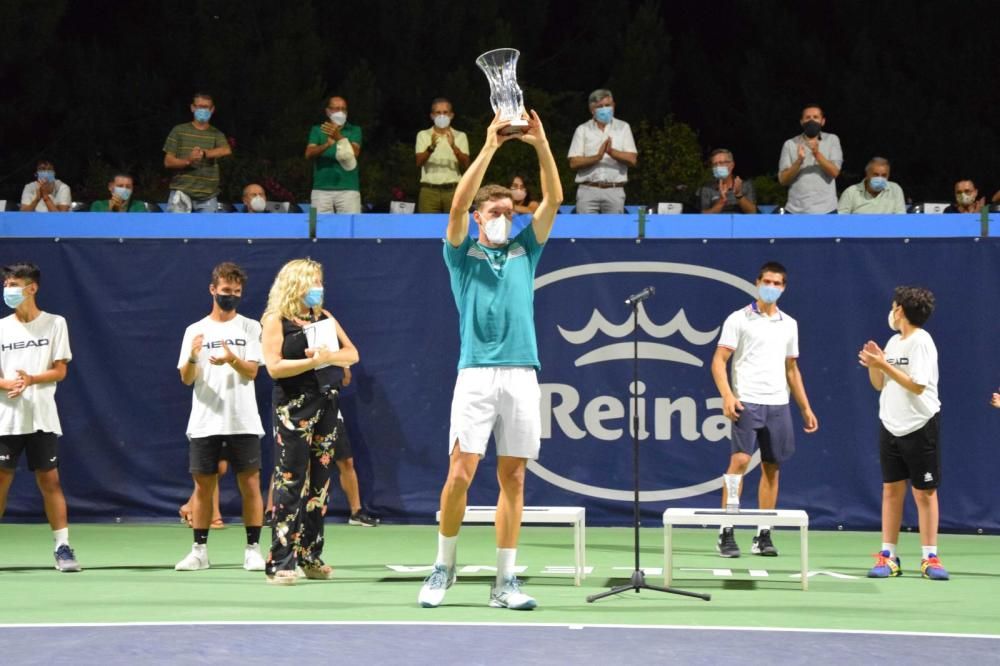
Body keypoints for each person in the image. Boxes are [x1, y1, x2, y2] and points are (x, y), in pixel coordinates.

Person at [417, 109, 562, 610]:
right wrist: (489, 147)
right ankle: (444, 567)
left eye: (509, 212)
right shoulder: (460, 253)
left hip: (523, 373)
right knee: (461, 472)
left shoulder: (527, 249)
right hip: (475, 373)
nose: (505, 218)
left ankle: (504, 582)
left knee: (514, 477)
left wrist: (541, 144)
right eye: (495, 212)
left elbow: (555, 200)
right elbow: (456, 207)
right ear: (481, 218)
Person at [260, 259, 359, 585]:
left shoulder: (325, 318)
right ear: (297, 284)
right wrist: (310, 362)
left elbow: (352, 354)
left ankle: (310, 555)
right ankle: (279, 560)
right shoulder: (275, 320)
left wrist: (328, 358)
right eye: (313, 281)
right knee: (290, 481)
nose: (319, 288)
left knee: (319, 484)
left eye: (320, 281)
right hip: (293, 407)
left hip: (326, 404)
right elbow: (274, 367)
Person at [711, 261, 818, 558]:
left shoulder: (790, 324)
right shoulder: (739, 319)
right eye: (767, 282)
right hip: (747, 400)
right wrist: (727, 396)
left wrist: (805, 407)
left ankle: (763, 535)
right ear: (757, 282)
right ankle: (726, 530)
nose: (771, 287)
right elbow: (719, 361)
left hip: (779, 404)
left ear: (784, 288)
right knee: (740, 461)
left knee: (772, 467)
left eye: (777, 283)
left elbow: (792, 370)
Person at [174, 262, 266, 572]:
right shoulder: (194, 330)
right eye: (226, 291)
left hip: (243, 420)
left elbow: (252, 371)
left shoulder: (251, 327)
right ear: (213, 290)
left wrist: (231, 359)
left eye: (237, 292)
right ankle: (199, 551)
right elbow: (187, 378)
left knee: (250, 484)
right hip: (205, 421)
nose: (231, 296)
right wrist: (190, 356)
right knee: (203, 487)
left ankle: (253, 549)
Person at [858, 287, 949, 581]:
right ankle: (888, 555)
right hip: (890, 425)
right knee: (891, 490)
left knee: (924, 493)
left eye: (894, 307)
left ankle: (929, 557)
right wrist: (875, 364)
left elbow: (918, 385)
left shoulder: (921, 342)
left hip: (920, 425)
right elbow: (879, 384)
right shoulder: (893, 342)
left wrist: (883, 363)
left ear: (900, 311)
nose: (891, 311)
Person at [0, 262, 79, 572]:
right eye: (6, 284)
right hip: (6, 418)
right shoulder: (1, 327)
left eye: (14, 285)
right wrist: (8, 384)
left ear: (32, 288)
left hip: (42, 418)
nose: (8, 290)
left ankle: (62, 547)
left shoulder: (55, 323)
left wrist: (30, 379)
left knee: (50, 481)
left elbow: (60, 369)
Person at [262, 365, 379, 528]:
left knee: (346, 461)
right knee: (286, 461)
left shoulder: (333, 345)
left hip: (329, 411)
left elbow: (345, 380)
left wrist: (338, 364)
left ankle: (356, 512)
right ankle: (271, 512)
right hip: (298, 410)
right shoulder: (295, 343)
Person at [567, 89, 637, 214]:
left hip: (614, 190)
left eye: (608, 105)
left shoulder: (623, 127)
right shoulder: (582, 129)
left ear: (614, 106)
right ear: (592, 110)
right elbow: (573, 162)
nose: (605, 109)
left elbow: (632, 159)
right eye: (600, 106)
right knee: (585, 232)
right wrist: (597, 157)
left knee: (613, 232)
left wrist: (611, 152)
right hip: (588, 190)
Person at [163, 92, 232, 213]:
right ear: (192, 107)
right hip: (181, 192)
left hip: (208, 195)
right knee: (176, 231)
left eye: (206, 107)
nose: (203, 110)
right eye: (199, 106)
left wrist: (204, 154)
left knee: (207, 232)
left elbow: (226, 150)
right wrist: (189, 160)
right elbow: (168, 162)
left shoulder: (217, 134)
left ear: (212, 109)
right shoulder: (179, 130)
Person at [778, 105, 843, 214]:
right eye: (808, 117)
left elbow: (835, 172)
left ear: (822, 121)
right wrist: (798, 161)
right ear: (801, 122)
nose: (811, 120)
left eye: (815, 117)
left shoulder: (832, 140)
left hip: (827, 210)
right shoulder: (790, 144)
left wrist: (816, 154)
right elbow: (783, 180)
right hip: (795, 210)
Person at [305, 95, 362, 214]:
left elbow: (355, 153)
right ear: (328, 111)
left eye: (343, 109)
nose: (341, 112)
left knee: (351, 229)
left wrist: (339, 137)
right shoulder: (317, 130)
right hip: (321, 189)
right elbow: (309, 154)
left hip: (348, 188)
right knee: (317, 228)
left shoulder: (355, 130)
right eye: (336, 108)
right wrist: (326, 145)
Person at [415, 98, 470, 213]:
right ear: (432, 116)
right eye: (438, 113)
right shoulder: (423, 135)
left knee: (454, 228)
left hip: (453, 190)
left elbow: (466, 164)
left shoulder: (460, 135)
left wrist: (454, 146)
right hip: (429, 191)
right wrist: (431, 147)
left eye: (445, 112)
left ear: (451, 115)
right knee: (427, 227)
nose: (442, 116)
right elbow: (418, 162)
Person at [837, 157, 907, 214]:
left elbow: (900, 219)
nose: (880, 178)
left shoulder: (895, 190)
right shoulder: (851, 192)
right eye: (876, 175)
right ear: (867, 174)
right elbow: (841, 221)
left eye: (884, 175)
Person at [698, 149, 758, 214]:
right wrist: (721, 201)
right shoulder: (707, 188)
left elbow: (752, 212)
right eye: (715, 164)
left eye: (721, 163)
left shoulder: (745, 185)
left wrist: (738, 195)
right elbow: (704, 217)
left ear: (732, 165)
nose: (718, 166)